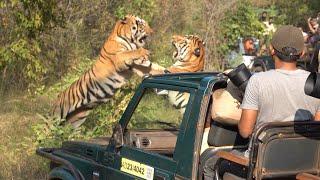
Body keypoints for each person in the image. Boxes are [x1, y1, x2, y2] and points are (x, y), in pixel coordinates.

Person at [203, 25, 320, 180]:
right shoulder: (316, 82)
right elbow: (316, 127)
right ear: (302, 52)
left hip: (261, 166)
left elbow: (245, 131)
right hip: (304, 166)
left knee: (210, 164)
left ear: (272, 50)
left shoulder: (258, 81)